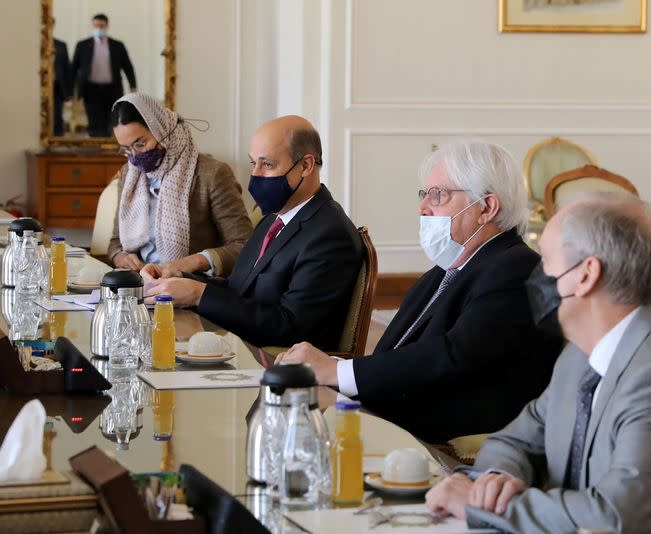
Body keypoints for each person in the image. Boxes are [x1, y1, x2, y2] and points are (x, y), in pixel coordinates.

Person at [425, 192, 651, 533]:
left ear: (585, 275)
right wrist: (497, 478)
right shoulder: (582, 353)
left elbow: (615, 517)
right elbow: (515, 440)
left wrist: (486, 508)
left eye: (546, 261)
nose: (536, 276)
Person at [276, 140, 562, 443]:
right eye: (424, 194)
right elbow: (397, 354)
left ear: (487, 208)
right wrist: (336, 380)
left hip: (446, 437)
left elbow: (453, 356)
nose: (423, 207)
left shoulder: (516, 269)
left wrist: (336, 372)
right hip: (398, 413)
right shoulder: (444, 271)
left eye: (438, 195)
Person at [141, 115, 363, 350]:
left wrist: (199, 295)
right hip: (240, 346)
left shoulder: (329, 235)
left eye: (267, 165)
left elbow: (291, 328)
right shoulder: (272, 219)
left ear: (306, 166)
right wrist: (176, 280)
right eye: (253, 163)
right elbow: (239, 290)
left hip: (277, 366)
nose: (255, 175)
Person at [109, 92, 252, 278]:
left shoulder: (212, 174)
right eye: (126, 149)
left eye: (140, 144)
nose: (134, 156)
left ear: (162, 129)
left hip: (193, 287)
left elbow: (245, 245)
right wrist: (121, 257)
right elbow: (115, 242)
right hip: (141, 284)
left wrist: (195, 261)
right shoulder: (130, 175)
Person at [72, 13, 136, 137]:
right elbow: (73, 69)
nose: (99, 29)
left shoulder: (117, 46)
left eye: (101, 26)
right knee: (93, 120)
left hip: (112, 89)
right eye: (96, 26)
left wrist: (133, 85)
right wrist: (70, 91)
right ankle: (95, 148)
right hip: (90, 89)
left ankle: (107, 148)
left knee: (111, 120)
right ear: (92, 25)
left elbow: (128, 67)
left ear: (107, 26)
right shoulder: (82, 45)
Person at [53, 35, 71, 137]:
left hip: (57, 87)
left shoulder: (61, 45)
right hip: (38, 87)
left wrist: (68, 92)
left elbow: (67, 68)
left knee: (57, 115)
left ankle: (57, 138)